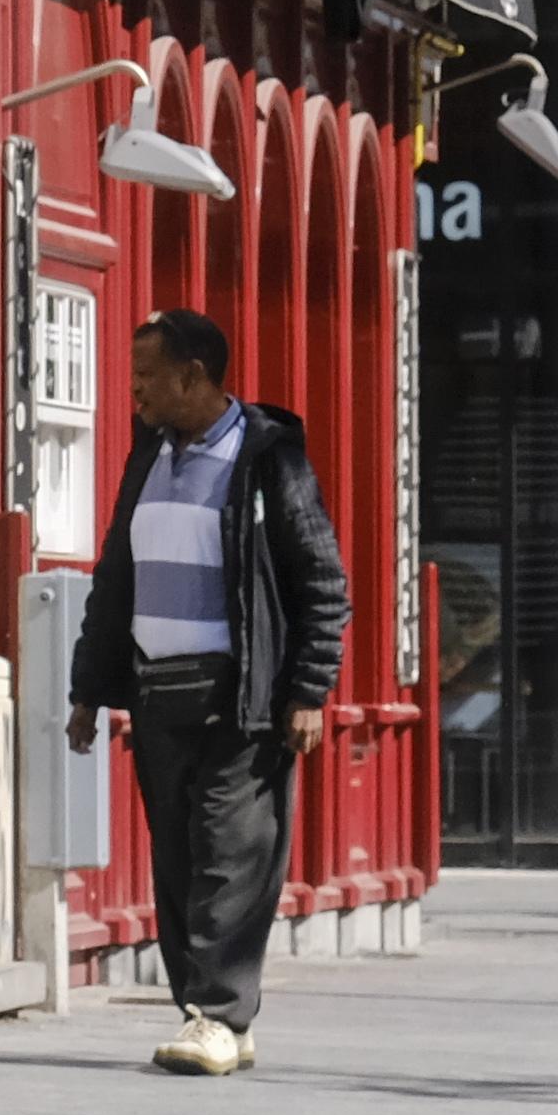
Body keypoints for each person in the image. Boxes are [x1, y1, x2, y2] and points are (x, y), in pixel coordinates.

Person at [62, 312, 353, 1075]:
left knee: (232, 854)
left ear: (192, 376)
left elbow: (324, 582)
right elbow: (115, 578)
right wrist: (88, 689)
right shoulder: (148, 455)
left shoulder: (267, 459)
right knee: (180, 862)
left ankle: (218, 1014)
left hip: (242, 700)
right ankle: (214, 1015)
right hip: (159, 695)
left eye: (147, 376)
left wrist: (309, 690)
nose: (135, 391)